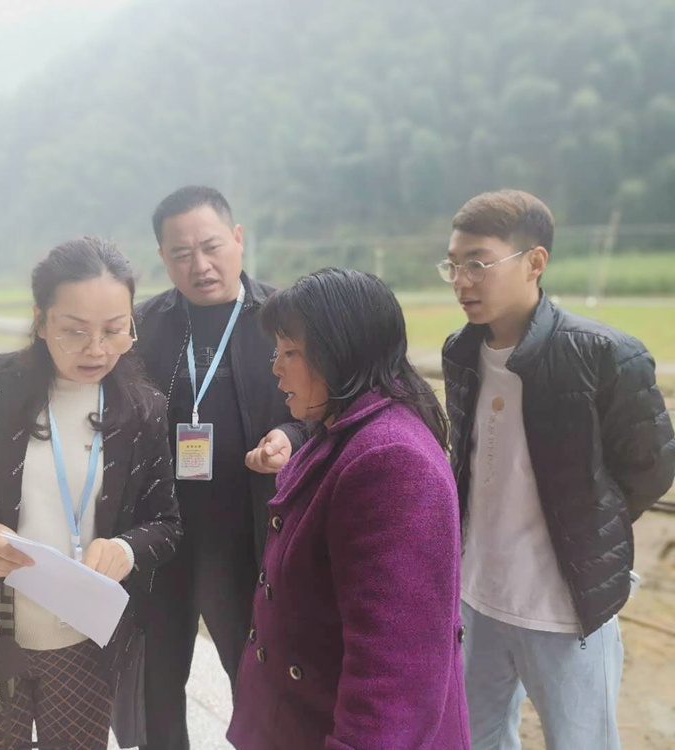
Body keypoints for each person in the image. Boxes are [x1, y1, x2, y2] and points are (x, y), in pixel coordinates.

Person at [0, 237, 182, 750]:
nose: (96, 350)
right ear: (40, 320)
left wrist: (123, 550)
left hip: (83, 640)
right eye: (74, 332)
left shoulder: (143, 410)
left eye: (114, 330)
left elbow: (166, 523)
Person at [440, 189, 675, 749]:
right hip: (478, 598)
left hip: (567, 610)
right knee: (475, 738)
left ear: (535, 261)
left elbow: (652, 469)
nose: (461, 280)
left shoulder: (605, 356)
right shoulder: (459, 352)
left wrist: (591, 523)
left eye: (478, 263)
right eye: (453, 264)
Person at [227, 268, 469, 749]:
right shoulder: (343, 429)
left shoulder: (391, 461)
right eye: (278, 350)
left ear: (341, 352)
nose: (276, 367)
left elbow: (394, 672)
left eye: (290, 352)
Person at [134, 186, 307, 750]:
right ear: (162, 258)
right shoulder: (144, 327)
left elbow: (323, 406)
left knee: (253, 675)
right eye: (180, 254)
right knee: (156, 683)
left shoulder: (284, 318)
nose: (200, 265)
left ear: (237, 239)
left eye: (211, 246)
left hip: (245, 536)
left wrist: (290, 434)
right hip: (161, 537)